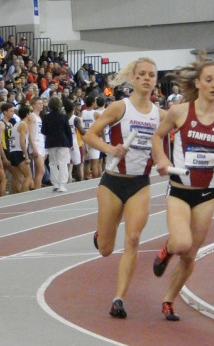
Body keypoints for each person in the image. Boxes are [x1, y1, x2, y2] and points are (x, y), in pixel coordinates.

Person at [151, 50, 214, 321]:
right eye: (210, 80)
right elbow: (157, 137)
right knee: (181, 242)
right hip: (179, 191)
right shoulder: (179, 112)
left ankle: (168, 300)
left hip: (207, 194)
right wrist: (163, 158)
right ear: (199, 83)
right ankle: (167, 249)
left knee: (190, 255)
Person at [83, 57, 166, 319]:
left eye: (151, 75)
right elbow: (90, 135)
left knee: (132, 239)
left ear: (155, 80)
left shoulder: (160, 116)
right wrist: (111, 149)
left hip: (139, 185)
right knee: (106, 249)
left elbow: (164, 146)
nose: (146, 79)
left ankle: (118, 298)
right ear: (133, 78)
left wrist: (163, 161)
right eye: (141, 74)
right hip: (112, 183)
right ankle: (101, 234)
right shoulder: (120, 107)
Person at [41, 96, 72, 192]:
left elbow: (43, 131)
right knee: (62, 163)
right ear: (59, 105)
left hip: (51, 142)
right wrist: (70, 143)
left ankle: (54, 183)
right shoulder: (63, 117)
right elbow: (68, 131)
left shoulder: (46, 117)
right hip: (63, 142)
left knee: (52, 163)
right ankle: (62, 184)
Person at [9, 105, 33, 191]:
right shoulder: (23, 125)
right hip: (19, 152)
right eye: (30, 113)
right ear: (27, 114)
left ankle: (16, 195)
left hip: (12, 151)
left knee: (17, 177)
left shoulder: (16, 124)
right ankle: (24, 196)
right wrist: (26, 156)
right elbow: (22, 141)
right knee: (28, 176)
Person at [28, 97, 45, 189]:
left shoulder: (39, 117)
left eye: (42, 103)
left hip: (41, 143)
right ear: (34, 105)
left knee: (40, 171)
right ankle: (37, 190)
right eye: (39, 103)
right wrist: (33, 147)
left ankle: (37, 186)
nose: (41, 105)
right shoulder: (32, 116)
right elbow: (30, 133)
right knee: (41, 170)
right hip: (35, 143)